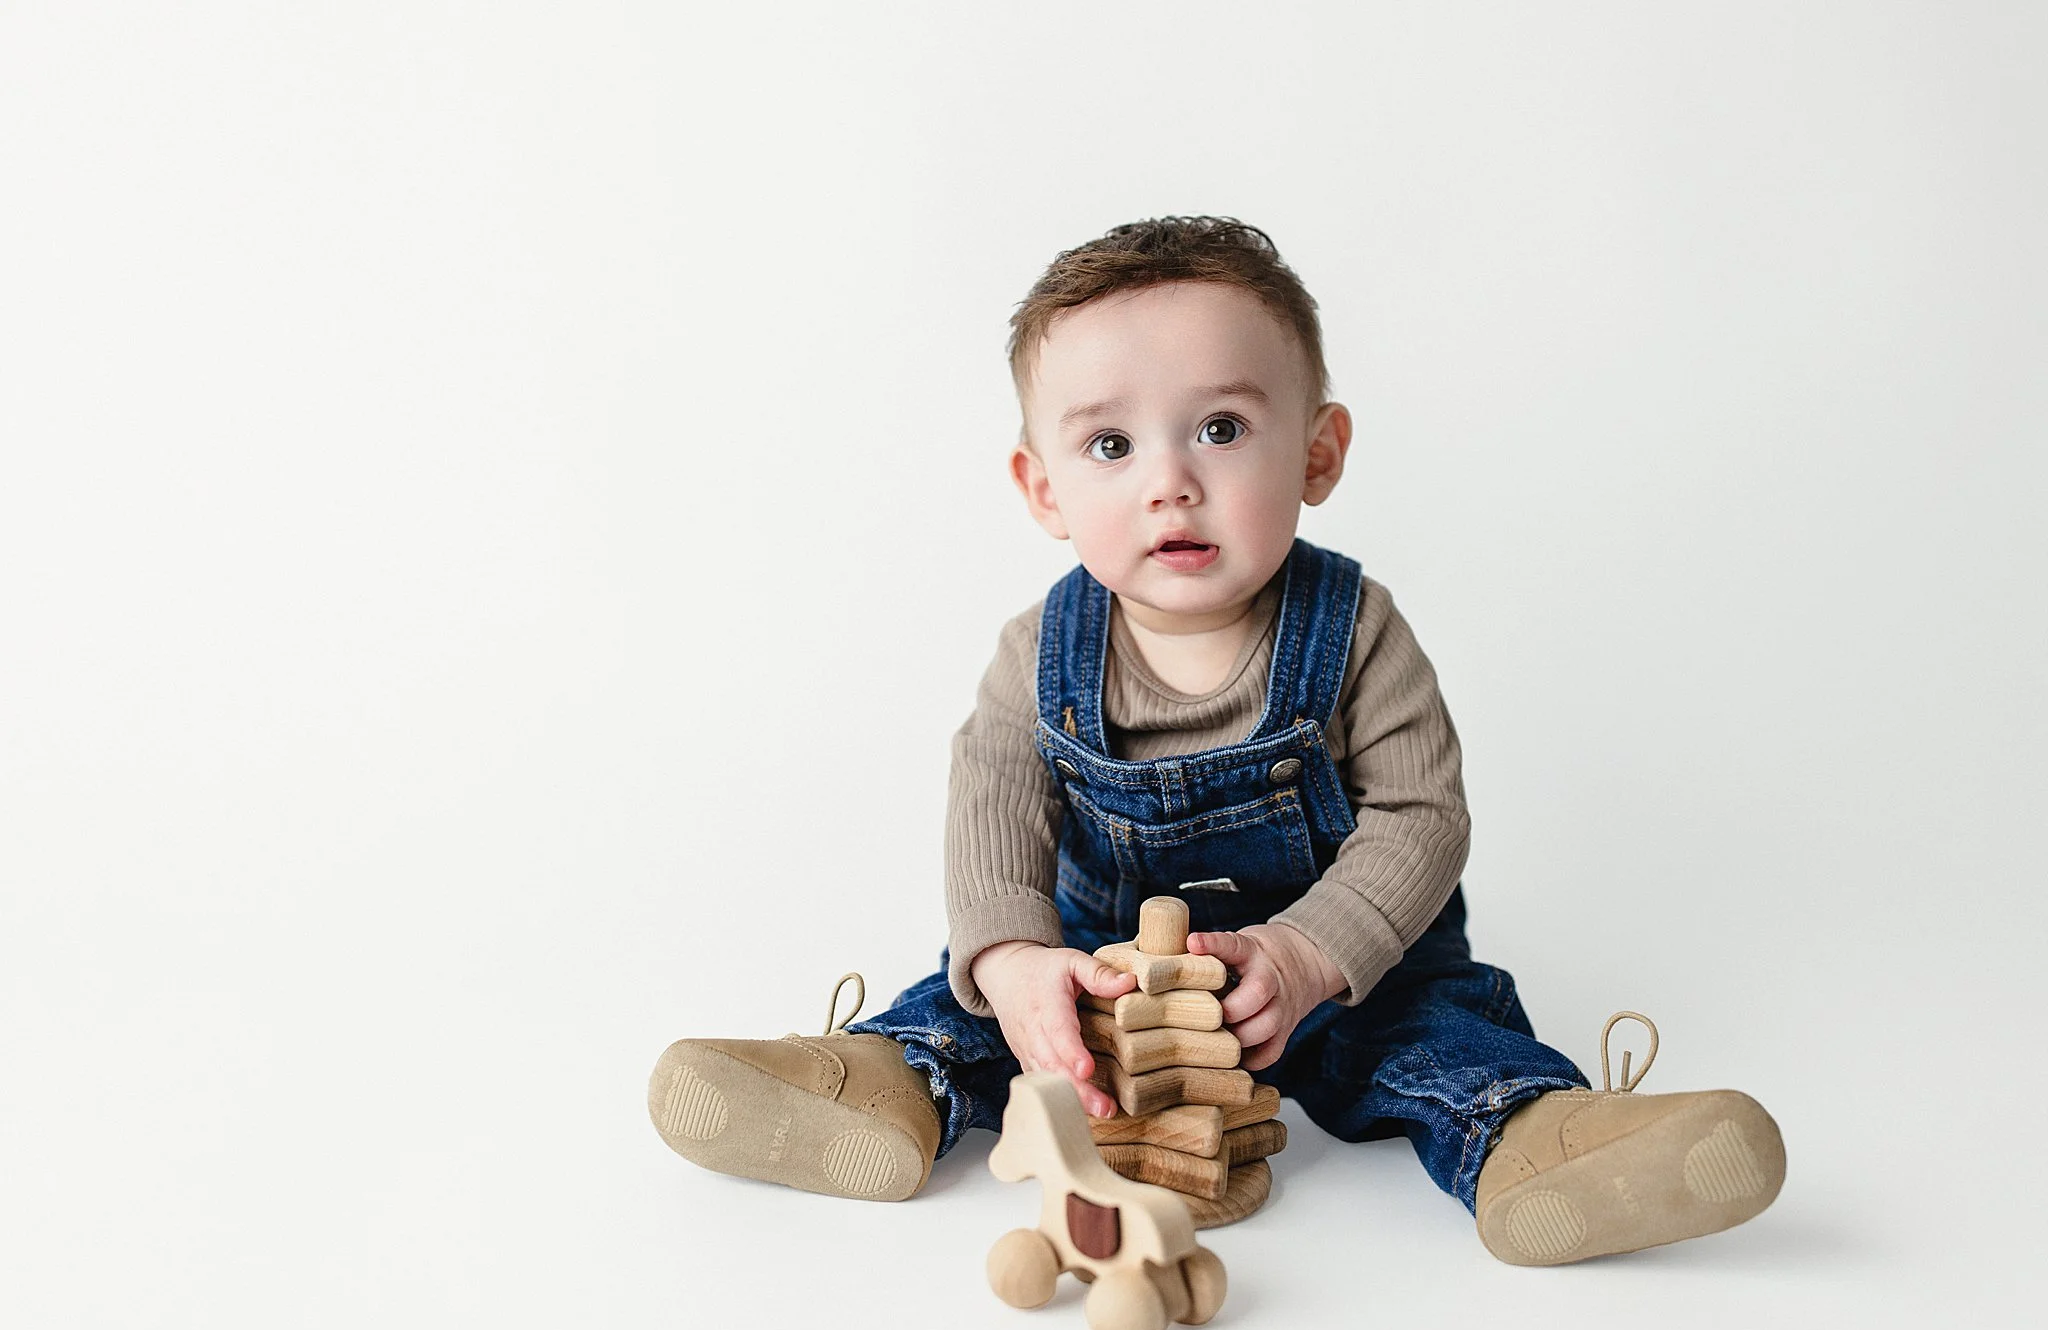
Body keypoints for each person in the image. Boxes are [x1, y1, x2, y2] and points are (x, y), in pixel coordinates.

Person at [647, 217, 1783, 1265]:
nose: (1170, 483)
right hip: (1103, 974)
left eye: (1221, 428)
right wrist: (1015, 962)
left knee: (1436, 1040)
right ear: (1039, 487)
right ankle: (880, 1086)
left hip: (1343, 970)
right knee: (978, 1015)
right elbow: (990, 809)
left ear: (1317, 454)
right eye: (1108, 446)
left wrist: (1303, 955)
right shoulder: (1040, 650)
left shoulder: (1354, 632)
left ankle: (1539, 1142)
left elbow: (1419, 819)